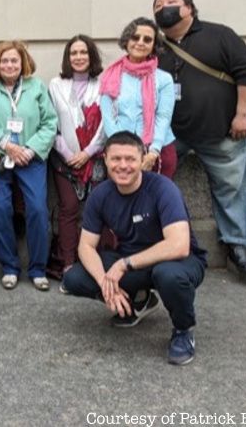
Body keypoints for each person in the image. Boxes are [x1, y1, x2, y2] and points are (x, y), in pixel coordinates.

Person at [62, 131, 207, 365]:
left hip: (178, 262)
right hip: (133, 262)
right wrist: (105, 283)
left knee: (168, 275)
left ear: (142, 160)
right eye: (116, 159)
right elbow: (86, 246)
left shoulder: (163, 189)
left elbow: (179, 245)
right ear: (105, 160)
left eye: (130, 159)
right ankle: (138, 301)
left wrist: (124, 264)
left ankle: (183, 330)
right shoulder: (101, 195)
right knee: (74, 278)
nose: (123, 166)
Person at [153, 0, 246, 274]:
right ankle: (155, 238)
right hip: (173, 135)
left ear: (188, 8)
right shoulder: (155, 47)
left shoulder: (220, 35)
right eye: (158, 4)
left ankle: (237, 243)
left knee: (232, 188)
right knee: (152, 179)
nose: (164, 7)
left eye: (171, 1)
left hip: (223, 132)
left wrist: (242, 115)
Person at [0, 41, 58, 291]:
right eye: (5, 60)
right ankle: (9, 267)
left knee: (38, 210)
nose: (9, 65)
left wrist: (30, 149)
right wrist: (7, 145)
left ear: (23, 63)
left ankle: (38, 269)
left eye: (14, 61)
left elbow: (49, 123)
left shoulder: (36, 86)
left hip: (31, 158)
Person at [47, 35, 106, 281]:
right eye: (74, 53)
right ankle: (67, 263)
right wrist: (69, 154)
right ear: (67, 57)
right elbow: (51, 122)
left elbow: (106, 123)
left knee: (96, 210)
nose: (79, 57)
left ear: (91, 56)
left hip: (96, 159)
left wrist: (87, 153)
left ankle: (95, 262)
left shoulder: (104, 84)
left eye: (83, 52)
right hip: (64, 159)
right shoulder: (55, 85)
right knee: (68, 208)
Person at [99, 18, 177, 178]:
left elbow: (163, 117)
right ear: (127, 40)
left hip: (157, 151)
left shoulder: (164, 79)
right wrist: (121, 148)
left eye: (147, 39)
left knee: (156, 200)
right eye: (135, 37)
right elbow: (108, 117)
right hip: (121, 153)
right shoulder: (110, 76)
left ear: (153, 45)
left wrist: (153, 152)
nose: (140, 43)